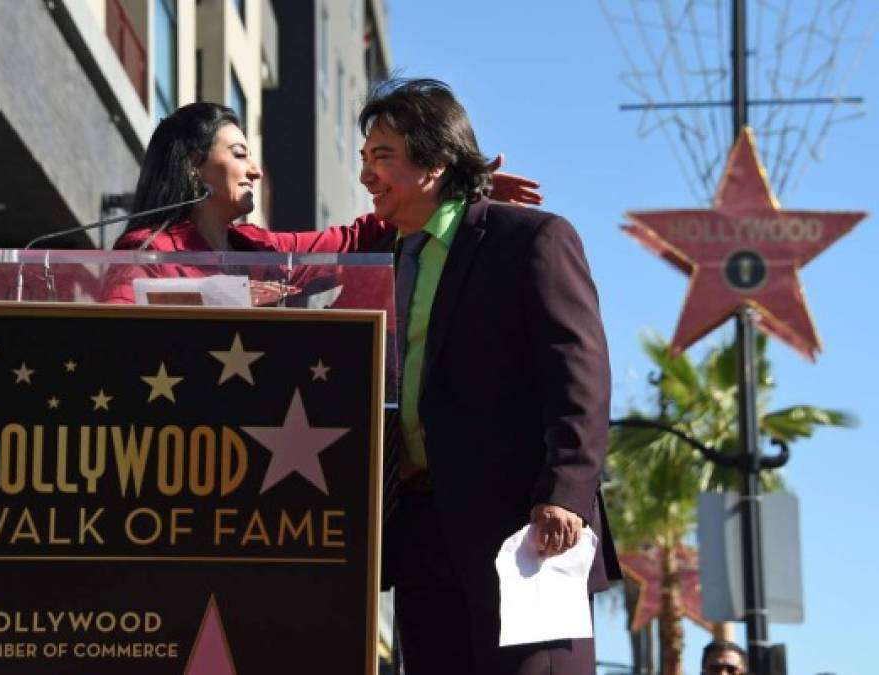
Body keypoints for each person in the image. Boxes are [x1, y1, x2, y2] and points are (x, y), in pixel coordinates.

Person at [359, 78, 620, 675]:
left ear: (434, 163)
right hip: (420, 538)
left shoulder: (530, 239)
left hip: (526, 537)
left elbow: (579, 373)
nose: (368, 176)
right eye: (364, 161)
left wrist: (565, 494)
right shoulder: (385, 261)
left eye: (383, 158)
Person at [103, 102, 541, 303]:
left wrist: (450, 187)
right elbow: (116, 334)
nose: (255, 170)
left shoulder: (257, 250)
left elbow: (356, 241)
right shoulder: (148, 250)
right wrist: (223, 297)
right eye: (239, 155)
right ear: (193, 165)